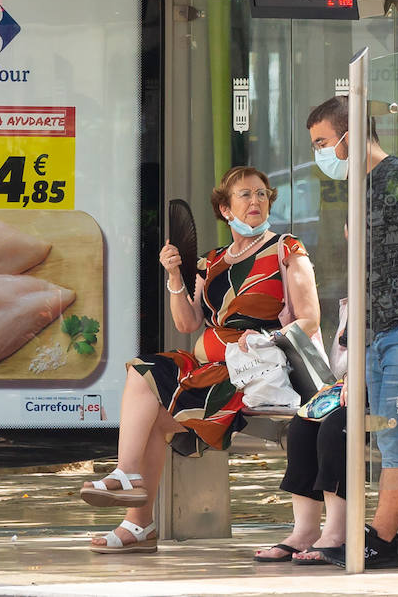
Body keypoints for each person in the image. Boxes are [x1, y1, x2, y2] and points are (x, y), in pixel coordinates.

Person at [82, 166, 322, 554]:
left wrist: (263, 337)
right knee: (144, 371)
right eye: (245, 195)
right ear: (226, 209)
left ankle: (136, 519)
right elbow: (187, 322)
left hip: (252, 371)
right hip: (208, 368)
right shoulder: (212, 262)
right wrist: (174, 275)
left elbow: (310, 319)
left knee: (155, 416)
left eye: (261, 194)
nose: (256, 201)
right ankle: (128, 482)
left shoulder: (286, 248)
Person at [305, 95, 398, 569]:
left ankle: (379, 540)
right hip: (377, 333)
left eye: (323, 141)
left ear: (349, 134)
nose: (320, 153)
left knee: (397, 436)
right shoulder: (356, 188)